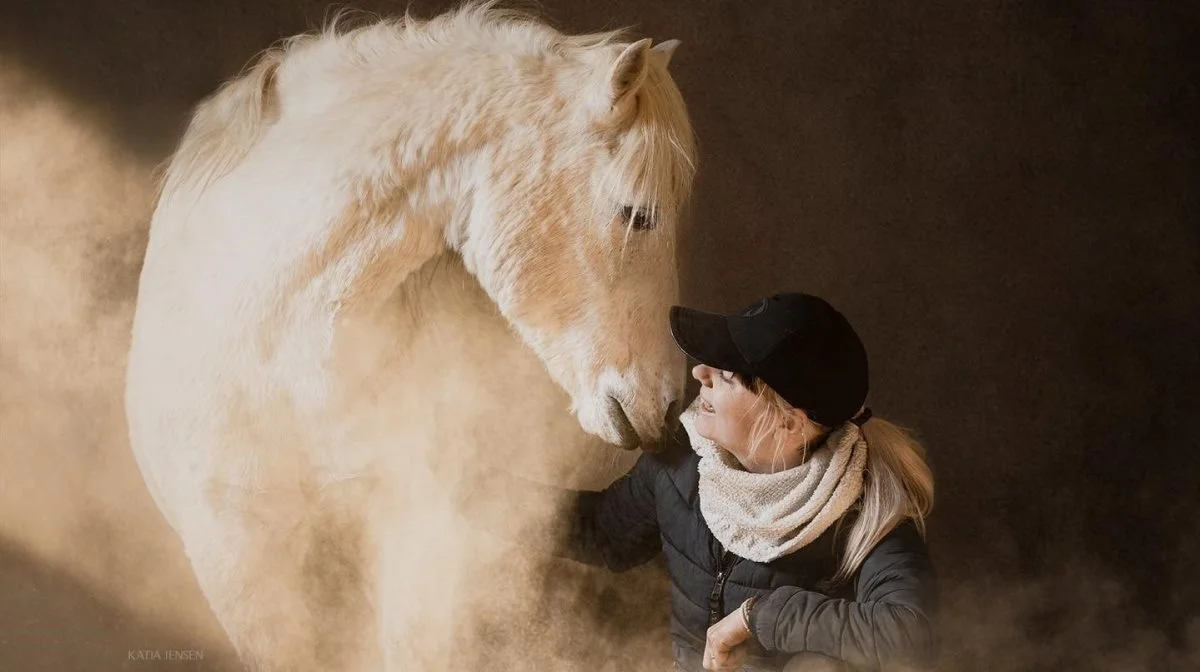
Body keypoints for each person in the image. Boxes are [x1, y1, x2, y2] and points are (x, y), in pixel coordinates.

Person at [472, 292, 938, 671]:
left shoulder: (862, 508)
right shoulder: (680, 463)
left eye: (728, 374)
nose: (700, 373)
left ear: (789, 424)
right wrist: (474, 491)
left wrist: (759, 619)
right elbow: (606, 535)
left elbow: (908, 635)